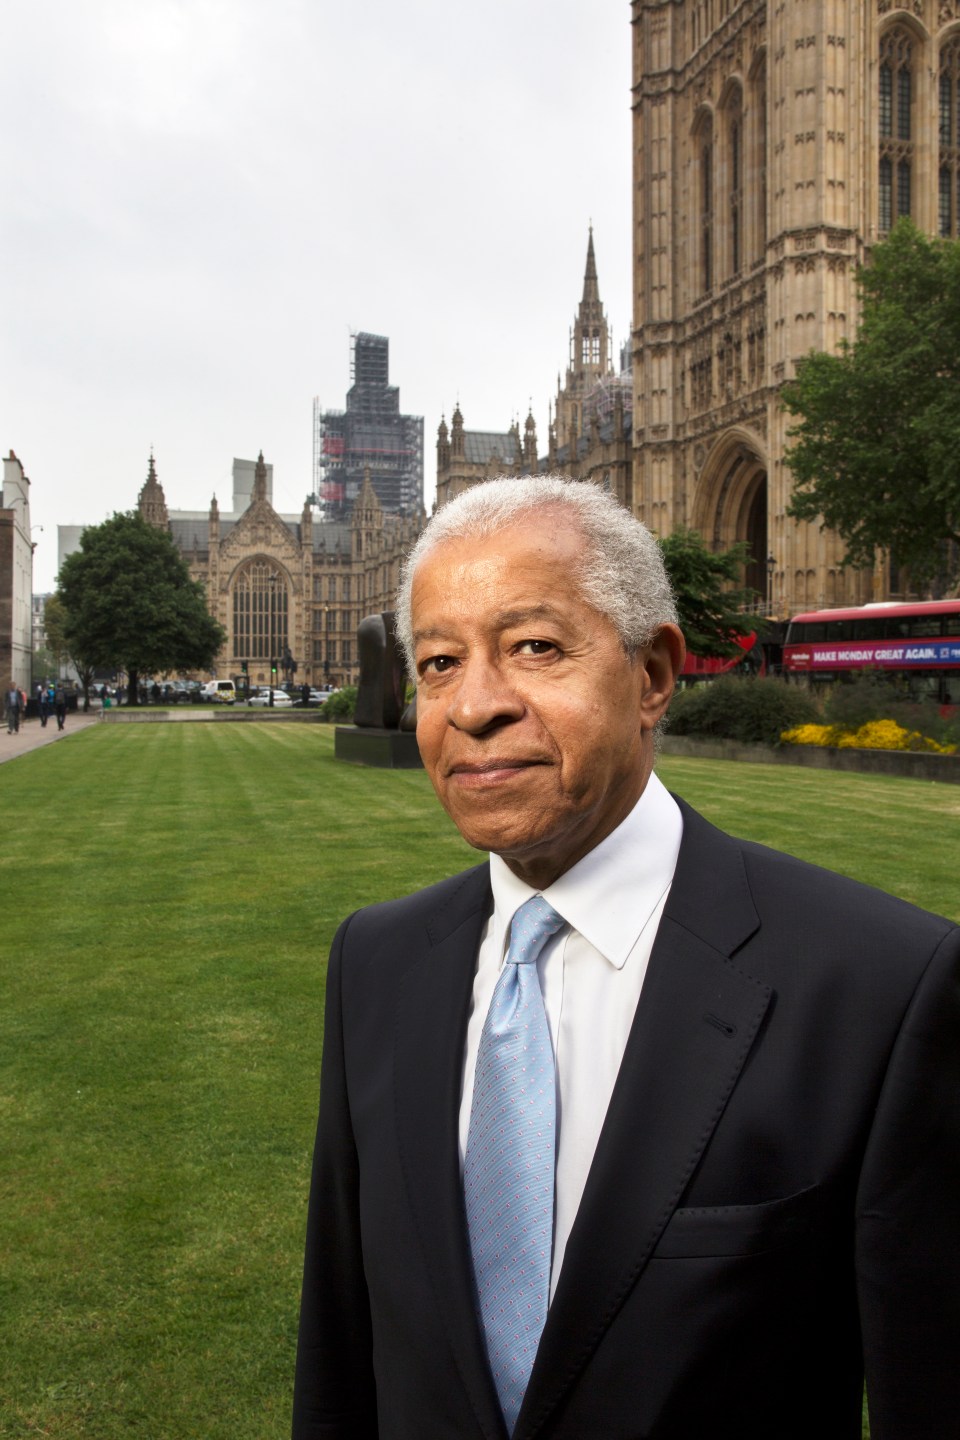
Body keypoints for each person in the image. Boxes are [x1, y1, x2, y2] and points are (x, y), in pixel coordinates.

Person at [291, 475, 960, 1440]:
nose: (474, 705)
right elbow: (343, 1357)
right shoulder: (375, 963)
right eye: (438, 663)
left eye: (533, 647)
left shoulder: (882, 986)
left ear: (652, 676)